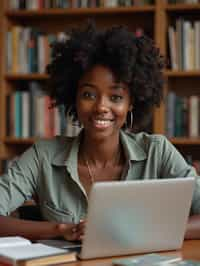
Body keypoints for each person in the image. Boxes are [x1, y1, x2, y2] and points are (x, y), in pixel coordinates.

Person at [0, 23, 200, 241]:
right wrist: (62, 230)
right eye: (88, 95)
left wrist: (142, 230)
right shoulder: (43, 156)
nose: (101, 107)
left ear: (131, 103)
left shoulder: (157, 152)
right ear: (74, 98)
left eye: (115, 97)